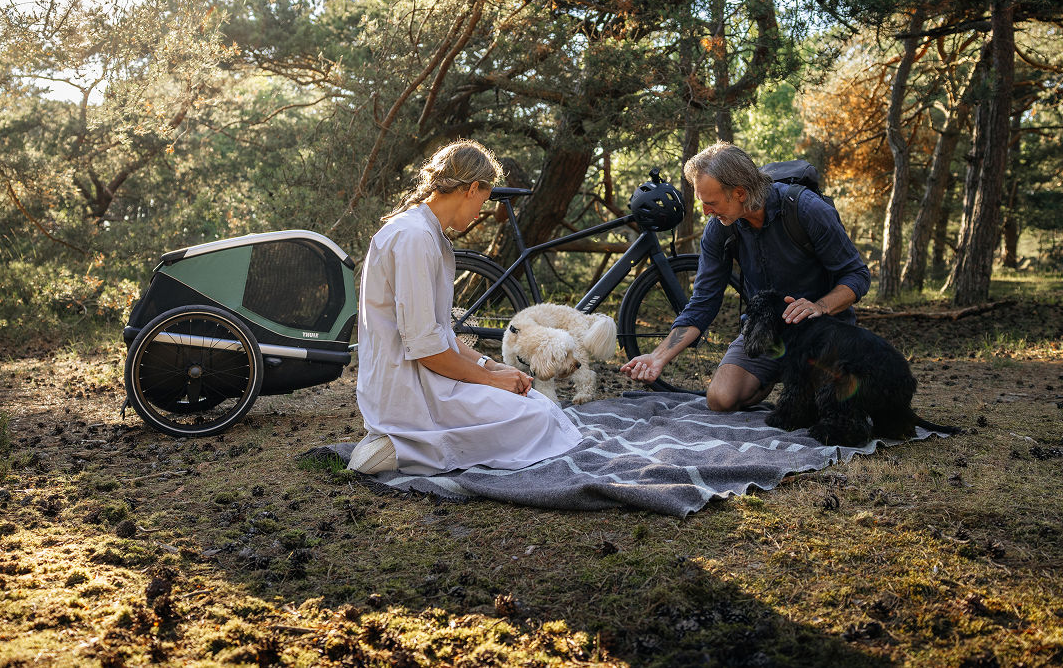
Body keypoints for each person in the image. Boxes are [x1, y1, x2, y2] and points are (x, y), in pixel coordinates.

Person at [350, 140, 583, 475]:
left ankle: (412, 442)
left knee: (535, 403)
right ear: (472, 188)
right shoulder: (414, 237)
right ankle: (405, 446)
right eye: (483, 201)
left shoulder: (426, 233)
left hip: (430, 374)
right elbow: (427, 350)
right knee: (538, 416)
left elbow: (439, 330)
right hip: (409, 389)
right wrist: (490, 381)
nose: (480, 213)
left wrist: (492, 367)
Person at [620, 142, 871, 412]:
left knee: (820, 409)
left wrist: (820, 306)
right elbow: (703, 302)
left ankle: (805, 383)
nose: (706, 212)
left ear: (739, 192)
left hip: (822, 332)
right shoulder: (719, 228)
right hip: (765, 333)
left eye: (711, 203)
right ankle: (781, 374)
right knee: (720, 399)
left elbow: (856, 274)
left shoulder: (807, 210)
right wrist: (658, 357)